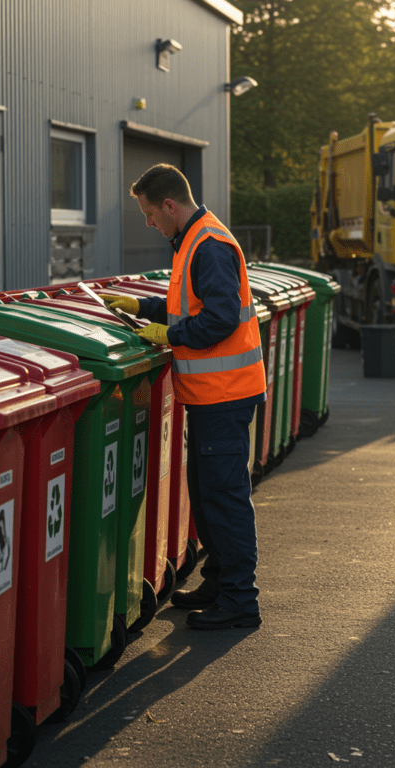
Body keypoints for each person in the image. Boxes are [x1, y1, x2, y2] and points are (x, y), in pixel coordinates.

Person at [100, 164, 266, 630]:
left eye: (150, 215)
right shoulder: (191, 240)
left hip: (225, 395)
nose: (149, 224)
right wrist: (141, 306)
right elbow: (186, 307)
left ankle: (240, 600)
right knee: (206, 493)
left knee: (225, 498)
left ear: (169, 205)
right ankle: (219, 582)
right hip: (212, 395)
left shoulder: (207, 244)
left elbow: (220, 319)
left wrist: (169, 334)